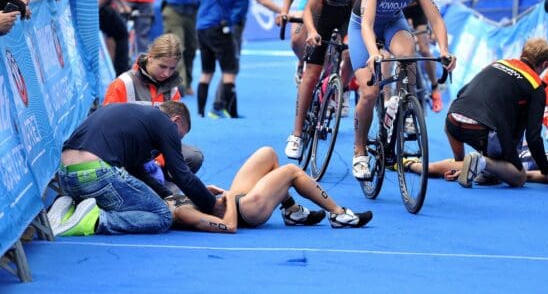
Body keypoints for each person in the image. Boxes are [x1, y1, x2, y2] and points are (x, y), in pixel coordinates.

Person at [348, 0, 456, 180]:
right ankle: (359, 151)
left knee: (409, 58)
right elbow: (366, 25)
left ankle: (404, 104)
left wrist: (445, 50)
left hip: (392, 24)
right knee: (369, 92)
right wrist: (374, 53)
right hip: (361, 27)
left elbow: (436, 20)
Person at [405, 38, 548, 188]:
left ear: (523, 54)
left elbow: (462, 91)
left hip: (452, 120)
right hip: (481, 129)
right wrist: (547, 170)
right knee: (518, 177)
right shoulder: (536, 86)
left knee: (471, 163)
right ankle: (481, 163)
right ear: (545, 64)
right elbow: (533, 137)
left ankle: (452, 166)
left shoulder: (498, 63)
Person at [47, 102, 223, 236]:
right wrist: (211, 205)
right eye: (178, 136)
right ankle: (94, 220)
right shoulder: (166, 124)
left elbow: (137, 171)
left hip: (65, 177)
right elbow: (182, 175)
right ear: (175, 120)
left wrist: (168, 196)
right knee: (162, 216)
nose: (175, 141)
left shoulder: (132, 116)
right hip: (96, 175)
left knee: (140, 200)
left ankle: (67, 207)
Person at [284, 0, 368, 158]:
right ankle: (296, 134)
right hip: (322, 17)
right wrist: (311, 32)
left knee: (349, 52)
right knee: (311, 73)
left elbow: (366, 13)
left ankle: (342, 89)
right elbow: (308, 10)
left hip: (349, 18)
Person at [168, 147, 373, 232]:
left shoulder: (169, 199)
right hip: (245, 212)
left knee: (268, 153)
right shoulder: (183, 213)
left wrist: (203, 191)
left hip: (235, 201)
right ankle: (338, 214)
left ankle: (292, 211)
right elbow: (228, 226)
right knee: (292, 171)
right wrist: (229, 197)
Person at [196, 0, 281, 118]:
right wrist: (284, 11)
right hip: (221, 27)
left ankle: (200, 113)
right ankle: (224, 110)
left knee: (206, 72)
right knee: (230, 70)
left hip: (202, 25)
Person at [103, 33, 205, 176]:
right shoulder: (123, 83)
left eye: (172, 68)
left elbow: (173, 133)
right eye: (162, 66)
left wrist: (159, 160)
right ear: (150, 57)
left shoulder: (173, 90)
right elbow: (107, 129)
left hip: (156, 151)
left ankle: (163, 187)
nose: (166, 73)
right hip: (125, 151)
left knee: (193, 157)